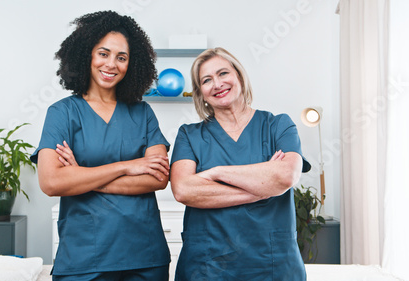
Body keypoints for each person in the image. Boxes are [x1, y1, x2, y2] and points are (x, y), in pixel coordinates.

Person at [30, 11, 170, 281]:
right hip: (84, 257)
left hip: (145, 256)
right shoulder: (63, 113)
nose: (111, 64)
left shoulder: (143, 114)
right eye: (103, 54)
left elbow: (158, 178)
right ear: (86, 55)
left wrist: (80, 175)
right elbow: (51, 182)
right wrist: (128, 166)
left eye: (122, 57)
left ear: (132, 64)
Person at [170, 47, 311, 281]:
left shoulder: (278, 126)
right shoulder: (189, 135)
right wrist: (262, 189)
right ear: (201, 93)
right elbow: (183, 189)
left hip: (272, 264)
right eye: (207, 80)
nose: (217, 84)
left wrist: (216, 173)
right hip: (208, 267)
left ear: (239, 76)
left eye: (223, 73)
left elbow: (285, 176)